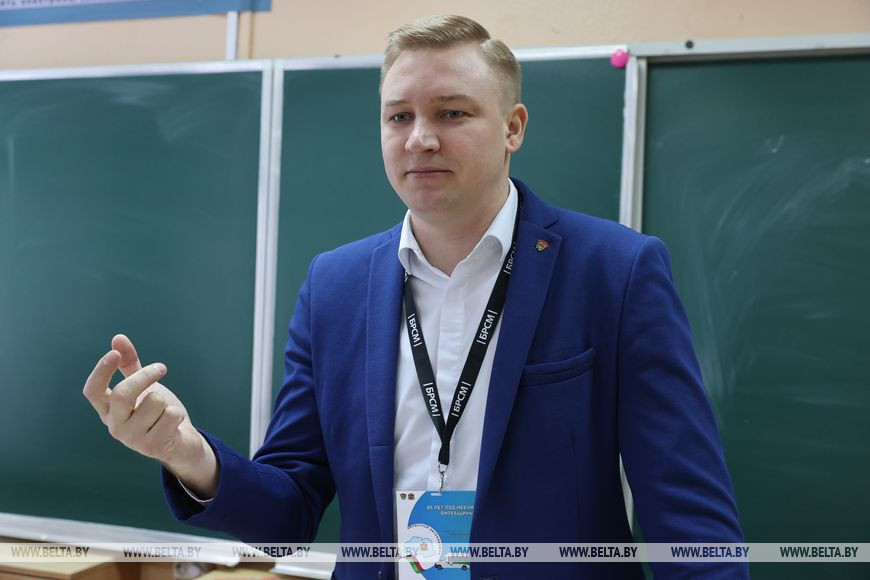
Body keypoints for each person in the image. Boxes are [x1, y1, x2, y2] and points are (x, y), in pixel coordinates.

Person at [83, 14, 747, 579]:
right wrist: (186, 453)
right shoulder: (334, 287)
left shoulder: (615, 271)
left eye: (452, 113)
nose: (420, 137)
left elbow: (691, 522)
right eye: (399, 116)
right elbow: (288, 515)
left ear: (513, 127)